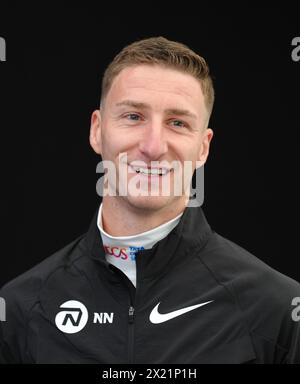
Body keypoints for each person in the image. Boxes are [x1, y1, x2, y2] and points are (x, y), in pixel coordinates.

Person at [0, 36, 299, 364]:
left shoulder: (277, 310)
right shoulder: (20, 310)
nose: (154, 146)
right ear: (97, 130)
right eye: (133, 116)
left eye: (178, 123)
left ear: (203, 147)